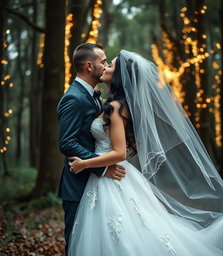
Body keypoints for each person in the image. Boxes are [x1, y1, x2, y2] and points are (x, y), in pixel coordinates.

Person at [68, 50, 223, 255]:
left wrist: (84, 163)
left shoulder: (114, 107)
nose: (105, 67)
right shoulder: (115, 105)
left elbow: (120, 153)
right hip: (108, 176)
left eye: (110, 65)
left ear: (120, 74)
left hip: (112, 176)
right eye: (105, 63)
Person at [57, 43, 126, 255]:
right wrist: (102, 168)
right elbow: (67, 143)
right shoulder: (74, 98)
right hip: (78, 185)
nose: (105, 66)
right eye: (103, 61)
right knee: (79, 245)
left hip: (100, 185)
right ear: (89, 65)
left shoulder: (95, 96)